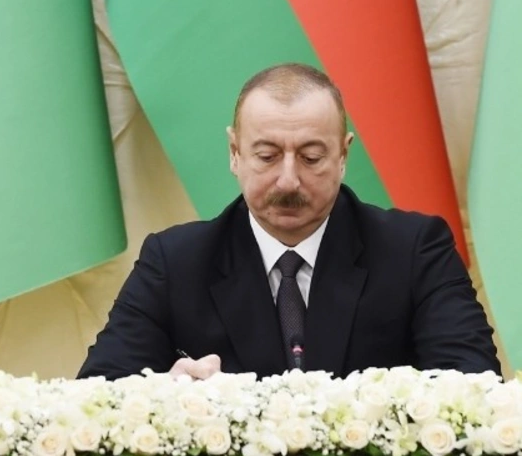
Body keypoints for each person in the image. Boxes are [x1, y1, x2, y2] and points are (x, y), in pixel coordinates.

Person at [78, 63, 499, 380]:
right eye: (267, 156)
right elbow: (100, 393)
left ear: (343, 156)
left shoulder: (415, 250)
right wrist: (164, 393)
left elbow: (473, 384)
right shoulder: (175, 262)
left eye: (311, 158)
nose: (288, 180)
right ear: (234, 153)